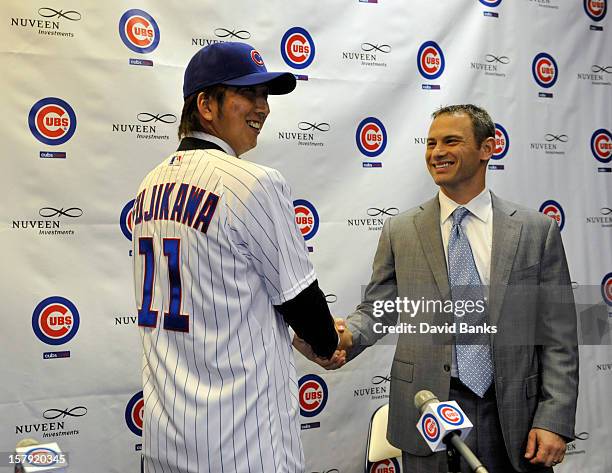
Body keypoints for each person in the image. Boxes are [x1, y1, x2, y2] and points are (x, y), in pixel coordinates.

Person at [295, 104, 578, 472]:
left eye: (451, 141)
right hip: (425, 411)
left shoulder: (535, 230)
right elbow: (377, 311)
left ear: (487, 148)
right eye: (430, 143)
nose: (437, 152)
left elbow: (559, 334)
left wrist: (553, 418)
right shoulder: (401, 230)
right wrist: (338, 339)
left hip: (513, 416)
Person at [132, 42, 342, 473]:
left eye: (265, 96)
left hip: (167, 436)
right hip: (243, 442)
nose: (262, 108)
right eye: (248, 94)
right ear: (206, 105)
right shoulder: (254, 182)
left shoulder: (148, 184)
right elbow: (303, 302)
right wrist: (325, 343)